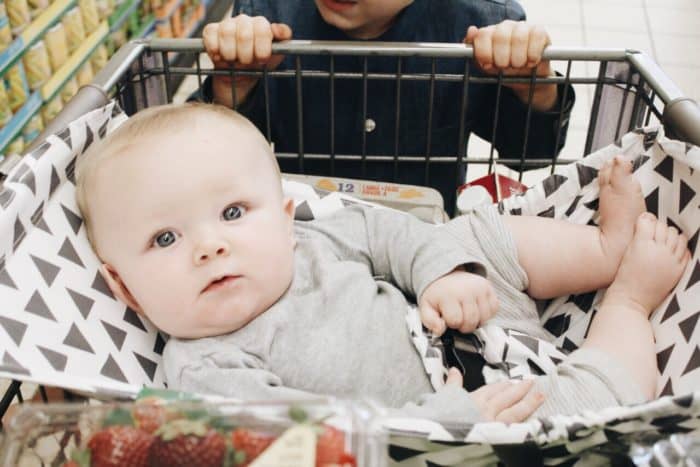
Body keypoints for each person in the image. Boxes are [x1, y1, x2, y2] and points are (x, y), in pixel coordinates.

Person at [75, 103, 689, 423]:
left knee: (476, 232)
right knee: (599, 404)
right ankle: (631, 299)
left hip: (459, 309)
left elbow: (391, 230)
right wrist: (446, 421)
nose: (209, 246)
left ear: (286, 214)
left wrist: (443, 272)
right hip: (477, 413)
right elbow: (317, 443)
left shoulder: (313, 241)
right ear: (122, 286)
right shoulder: (207, 370)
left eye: (234, 213)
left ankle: (605, 250)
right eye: (164, 239)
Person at [198, 0, 576, 213]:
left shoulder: (480, 23)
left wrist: (533, 82)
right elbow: (212, 164)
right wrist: (234, 83)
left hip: (424, 237)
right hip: (303, 236)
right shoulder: (266, 14)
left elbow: (532, 152)